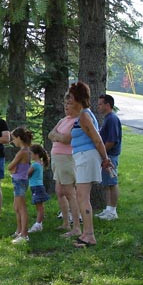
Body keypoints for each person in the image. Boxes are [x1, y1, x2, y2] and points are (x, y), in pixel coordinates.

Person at [65, 82, 114, 248]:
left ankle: (89, 235)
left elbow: (97, 139)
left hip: (87, 157)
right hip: (82, 157)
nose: (69, 100)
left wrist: (105, 159)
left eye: (71, 97)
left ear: (78, 98)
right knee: (81, 196)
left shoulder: (85, 116)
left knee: (83, 197)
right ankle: (86, 233)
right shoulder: (82, 115)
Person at [47, 95, 82, 237]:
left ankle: (76, 227)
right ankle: (66, 223)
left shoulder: (77, 121)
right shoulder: (63, 120)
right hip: (57, 159)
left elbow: (67, 139)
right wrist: (57, 136)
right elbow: (50, 134)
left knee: (69, 192)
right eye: (65, 103)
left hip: (66, 159)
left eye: (69, 104)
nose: (66, 106)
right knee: (59, 191)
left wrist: (58, 136)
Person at [96, 94, 122, 220]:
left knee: (112, 182)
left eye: (100, 104)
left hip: (110, 155)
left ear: (108, 105)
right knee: (106, 183)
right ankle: (108, 209)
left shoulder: (112, 119)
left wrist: (103, 154)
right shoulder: (107, 119)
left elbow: (111, 140)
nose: (98, 107)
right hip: (106, 155)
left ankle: (113, 211)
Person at [8, 127, 32, 244]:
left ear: (19, 138)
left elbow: (10, 166)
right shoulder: (27, 150)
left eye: (13, 139)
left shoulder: (22, 152)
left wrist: (12, 168)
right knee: (16, 207)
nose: (13, 142)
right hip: (19, 180)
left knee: (21, 208)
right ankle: (19, 230)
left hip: (19, 181)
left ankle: (24, 234)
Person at [27, 144, 50, 234]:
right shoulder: (40, 163)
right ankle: (39, 223)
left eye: (31, 153)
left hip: (37, 187)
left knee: (39, 207)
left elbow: (27, 174)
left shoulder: (35, 165)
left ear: (36, 154)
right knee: (39, 206)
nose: (30, 155)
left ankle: (38, 224)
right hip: (37, 186)